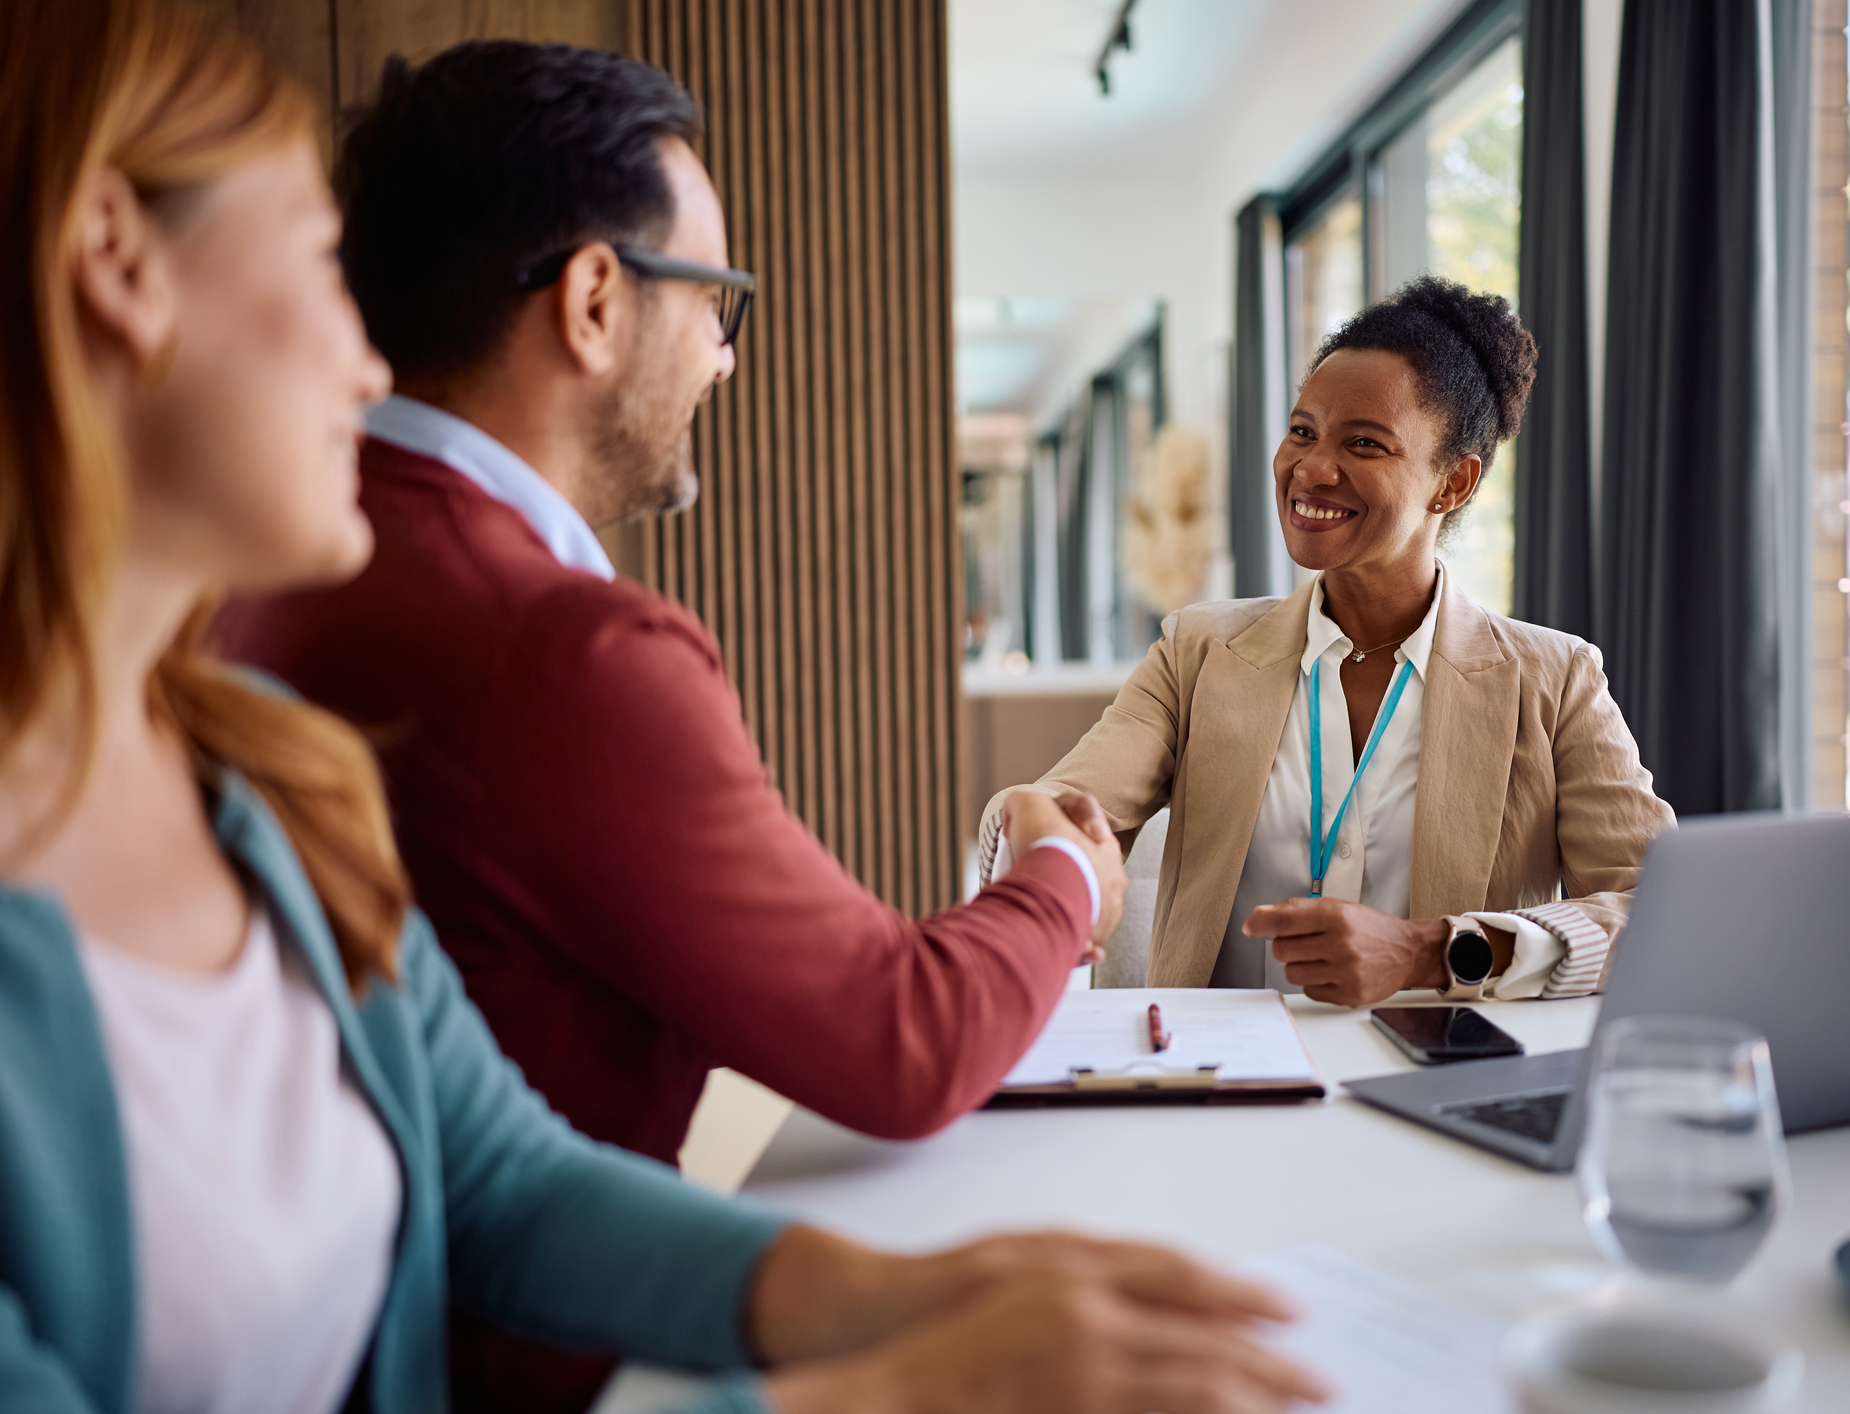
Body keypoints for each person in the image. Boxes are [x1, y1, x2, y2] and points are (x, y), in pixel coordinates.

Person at [0, 5, 1332, 1413]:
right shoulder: (546, 648)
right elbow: (900, 1035)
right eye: (320, 266)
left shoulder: (250, 767)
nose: (361, 357)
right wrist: (885, 1386)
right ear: (115, 265)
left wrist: (914, 1289)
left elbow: (501, 1179)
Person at [207, 38, 1143, 1410]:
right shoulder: (561, 648)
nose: (721, 356)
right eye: (716, 301)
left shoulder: (259, 572)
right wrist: (1064, 875)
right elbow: (904, 1038)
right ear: (593, 299)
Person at [980, 278, 1675, 1008]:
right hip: (1222, 1089)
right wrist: (1040, 822)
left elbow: (1658, 911)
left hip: (1439, 1088)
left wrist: (1431, 952)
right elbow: (1075, 800)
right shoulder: (1197, 652)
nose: (1309, 468)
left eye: (1364, 444)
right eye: (1301, 431)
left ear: (1452, 484)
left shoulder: (1555, 680)